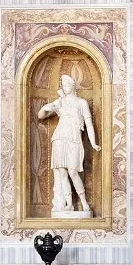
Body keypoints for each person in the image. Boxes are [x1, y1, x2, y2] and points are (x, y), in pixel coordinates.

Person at [38, 75, 100, 215]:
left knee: (73, 171)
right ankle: (69, 204)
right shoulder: (60, 101)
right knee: (62, 173)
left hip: (73, 139)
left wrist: (93, 143)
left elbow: (89, 125)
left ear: (73, 86)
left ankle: (84, 202)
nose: (65, 87)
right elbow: (41, 115)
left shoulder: (81, 103)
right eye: (63, 84)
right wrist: (46, 107)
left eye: (67, 84)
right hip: (59, 138)